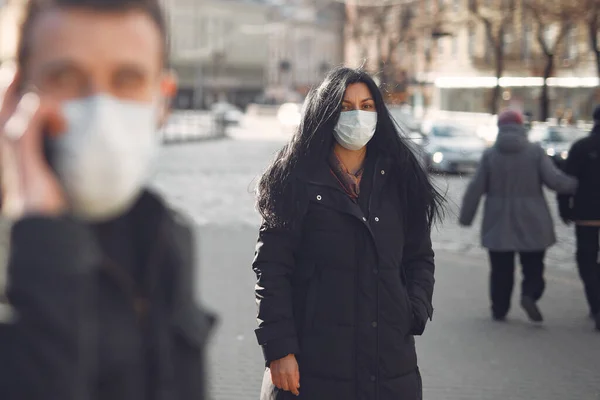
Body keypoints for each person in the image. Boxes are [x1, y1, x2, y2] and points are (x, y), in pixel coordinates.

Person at [0, 0, 214, 399]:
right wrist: (41, 243)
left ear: (162, 99)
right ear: (15, 94)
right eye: (66, 77)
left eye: (127, 79)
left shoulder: (165, 236)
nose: (100, 108)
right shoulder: (10, 256)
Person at [252, 67, 444, 400]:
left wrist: (414, 308)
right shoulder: (294, 179)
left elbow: (419, 256)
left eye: (367, 106)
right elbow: (271, 270)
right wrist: (279, 348)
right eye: (345, 106)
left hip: (389, 364)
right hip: (315, 362)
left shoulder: (400, 176)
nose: (358, 116)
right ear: (325, 111)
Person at [459, 110, 577, 323]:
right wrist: (579, 185)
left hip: (498, 222)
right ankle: (529, 294)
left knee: (500, 271)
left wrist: (466, 217)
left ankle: (499, 309)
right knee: (534, 266)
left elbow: (475, 188)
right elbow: (554, 181)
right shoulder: (534, 152)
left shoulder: (491, 155)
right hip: (533, 219)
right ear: (522, 126)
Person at [558, 105, 600, 332]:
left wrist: (565, 209)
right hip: (587, 214)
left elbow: (567, 182)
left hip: (587, 215)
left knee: (587, 260)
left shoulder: (581, 147)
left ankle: (596, 305)